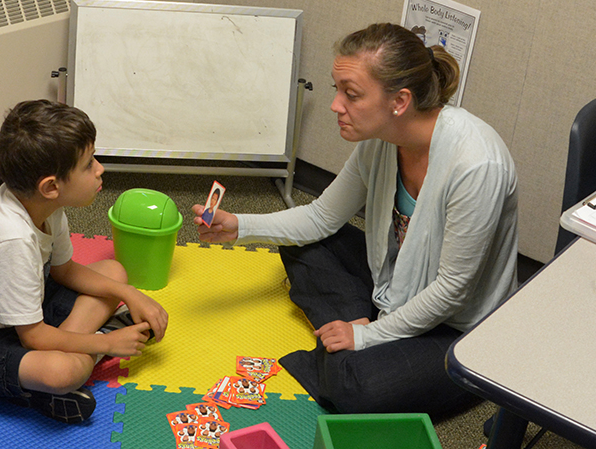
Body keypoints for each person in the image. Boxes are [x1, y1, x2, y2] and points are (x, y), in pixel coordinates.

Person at [192, 23, 517, 415]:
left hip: (458, 328)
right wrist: (240, 226)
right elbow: (319, 217)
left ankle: (346, 340)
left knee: (357, 387)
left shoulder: (477, 165)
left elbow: (452, 291)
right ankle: (346, 336)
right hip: (397, 285)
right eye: (337, 90)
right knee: (304, 245)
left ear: (399, 101)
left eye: (352, 94)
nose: (335, 105)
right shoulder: (381, 141)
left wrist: (366, 335)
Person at [0, 99, 169, 423]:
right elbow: (34, 337)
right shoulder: (11, 239)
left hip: (23, 309)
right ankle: (74, 364)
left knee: (114, 272)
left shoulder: (45, 206)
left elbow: (64, 271)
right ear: (51, 186)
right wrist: (107, 341)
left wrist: (130, 294)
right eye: (88, 164)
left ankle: (78, 349)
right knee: (63, 371)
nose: (100, 169)